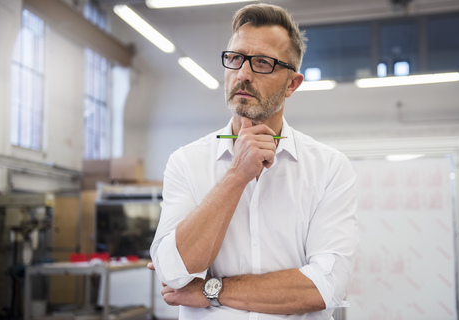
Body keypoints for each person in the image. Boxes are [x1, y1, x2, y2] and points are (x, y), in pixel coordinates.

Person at [149, 3, 358, 320]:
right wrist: (236, 175)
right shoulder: (186, 162)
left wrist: (211, 291)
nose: (243, 74)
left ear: (292, 84)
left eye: (262, 62)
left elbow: (324, 287)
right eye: (235, 59)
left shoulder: (329, 168)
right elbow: (173, 271)